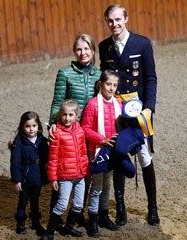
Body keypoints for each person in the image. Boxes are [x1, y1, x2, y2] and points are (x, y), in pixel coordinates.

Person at [99, 4, 160, 226]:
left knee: (144, 157)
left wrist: (149, 107)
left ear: (126, 19)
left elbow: (151, 78)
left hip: (139, 111)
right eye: (110, 21)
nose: (114, 24)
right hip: (115, 112)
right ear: (106, 22)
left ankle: (152, 207)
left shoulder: (142, 44)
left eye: (118, 19)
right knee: (118, 154)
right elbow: (104, 78)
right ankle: (121, 208)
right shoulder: (104, 46)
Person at [48, 33, 101, 227]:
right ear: (74, 51)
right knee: (64, 174)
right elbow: (57, 102)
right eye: (79, 49)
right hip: (67, 132)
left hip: (87, 132)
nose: (83, 53)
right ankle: (55, 219)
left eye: (86, 48)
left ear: (93, 51)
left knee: (84, 175)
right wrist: (53, 123)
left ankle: (76, 215)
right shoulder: (65, 73)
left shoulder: (98, 74)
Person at [81, 70, 122, 237]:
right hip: (97, 150)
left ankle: (103, 215)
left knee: (107, 185)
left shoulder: (118, 104)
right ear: (100, 84)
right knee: (96, 187)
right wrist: (102, 139)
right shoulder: (92, 104)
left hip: (112, 151)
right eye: (108, 84)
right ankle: (92, 219)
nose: (111, 88)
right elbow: (85, 128)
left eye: (114, 85)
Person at [46, 99, 89, 240]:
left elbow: (83, 153)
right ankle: (50, 232)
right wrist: (53, 178)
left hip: (80, 175)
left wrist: (86, 171)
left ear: (76, 115)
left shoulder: (80, 131)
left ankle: (68, 228)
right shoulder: (57, 133)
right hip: (65, 176)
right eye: (64, 114)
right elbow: (52, 158)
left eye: (71, 115)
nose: (67, 118)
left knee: (78, 204)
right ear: (60, 114)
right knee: (62, 204)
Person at [9, 111, 49, 236]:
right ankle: (20, 223)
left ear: (38, 126)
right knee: (23, 201)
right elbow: (15, 162)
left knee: (35, 201)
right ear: (22, 127)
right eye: (27, 126)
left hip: (37, 178)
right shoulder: (19, 142)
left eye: (34, 126)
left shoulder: (43, 141)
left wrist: (46, 177)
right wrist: (17, 180)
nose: (31, 129)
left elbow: (47, 159)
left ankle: (36, 222)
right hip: (24, 180)